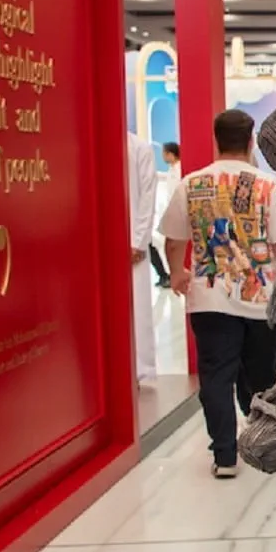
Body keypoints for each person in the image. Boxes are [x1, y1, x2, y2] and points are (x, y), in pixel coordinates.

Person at [160, 110, 276, 478]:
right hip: (261, 299)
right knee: (264, 373)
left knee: (216, 377)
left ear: (216, 140)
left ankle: (225, 455)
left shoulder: (191, 184)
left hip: (209, 298)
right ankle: (263, 440)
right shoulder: (270, 186)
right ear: (251, 142)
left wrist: (177, 272)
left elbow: (173, 240)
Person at [128, 133, 159, 384]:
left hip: (131, 242)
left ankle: (137, 369)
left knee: (136, 304)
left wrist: (139, 240)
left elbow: (147, 195)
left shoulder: (139, 147)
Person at [151, 141, 181, 287]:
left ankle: (169, 274)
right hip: (171, 214)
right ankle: (166, 274)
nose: (162, 155)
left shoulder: (179, 170)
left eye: (164, 152)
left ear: (170, 154)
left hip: (177, 214)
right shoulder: (172, 170)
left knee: (167, 245)